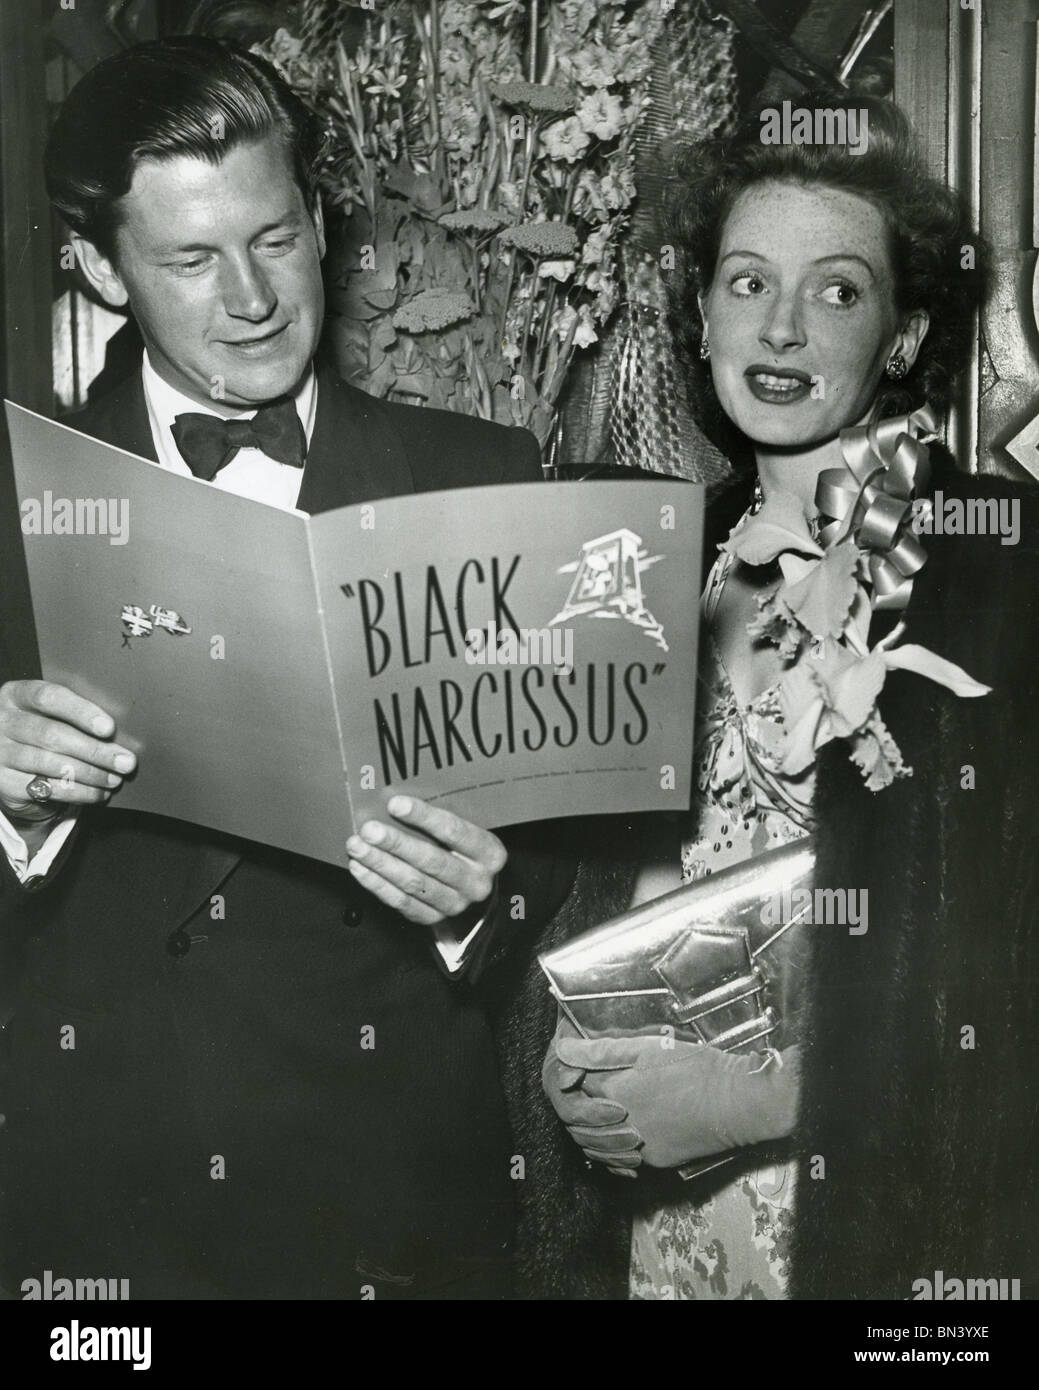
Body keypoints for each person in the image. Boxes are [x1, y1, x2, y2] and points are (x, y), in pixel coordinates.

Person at [0, 36, 574, 1300]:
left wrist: (482, 900)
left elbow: (559, 877)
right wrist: (9, 805)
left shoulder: (482, 473)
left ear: (320, 221)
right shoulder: (13, 499)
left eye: (273, 236)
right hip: (100, 1223)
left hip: (381, 1219)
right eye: (192, 260)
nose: (252, 297)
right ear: (100, 268)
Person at [529, 92, 1039, 1300]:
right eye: (748, 281)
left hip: (884, 1237)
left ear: (905, 336)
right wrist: (558, 1063)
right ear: (699, 311)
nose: (786, 328)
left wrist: (758, 1101)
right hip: (649, 1241)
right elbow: (586, 898)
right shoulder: (635, 567)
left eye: (840, 290)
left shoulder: (1001, 567)